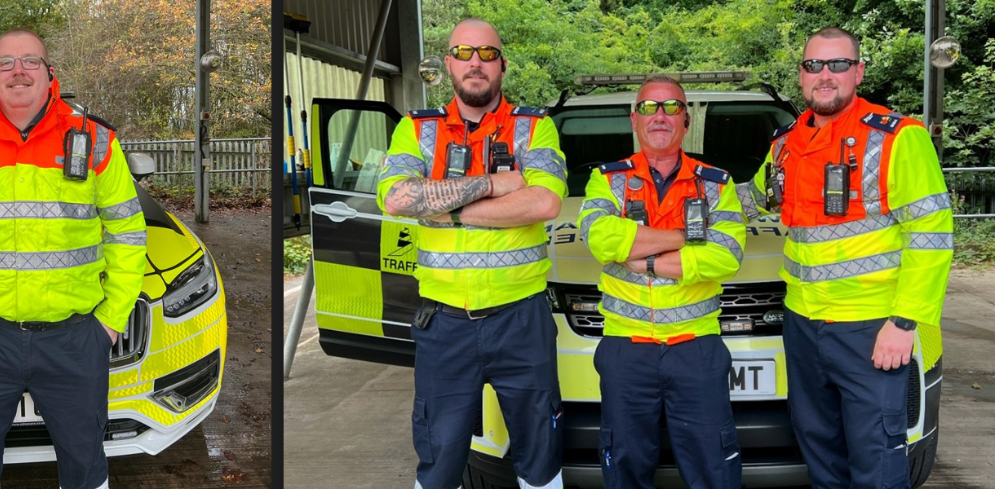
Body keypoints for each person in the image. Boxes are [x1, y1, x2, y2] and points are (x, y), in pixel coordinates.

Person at [0, 27, 146, 489]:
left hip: (76, 339)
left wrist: (110, 321)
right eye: (6, 63)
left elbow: (127, 233)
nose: (18, 70)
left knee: (85, 465)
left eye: (31, 60)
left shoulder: (96, 144)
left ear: (50, 74)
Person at [735, 27, 953, 489]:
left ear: (858, 71)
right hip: (802, 322)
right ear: (802, 75)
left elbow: (931, 235)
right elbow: (747, 202)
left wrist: (905, 322)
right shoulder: (787, 143)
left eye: (837, 64)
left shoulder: (898, 138)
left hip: (871, 327)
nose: (825, 75)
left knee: (876, 455)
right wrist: (676, 205)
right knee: (820, 451)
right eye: (815, 65)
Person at [376, 17, 568, 489]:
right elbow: (397, 199)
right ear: (448, 64)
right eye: (464, 53)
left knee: (541, 455)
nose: (475, 64)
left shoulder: (534, 127)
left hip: (521, 319)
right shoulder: (417, 130)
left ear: (502, 64)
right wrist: (496, 183)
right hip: (444, 325)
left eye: (486, 54)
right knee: (439, 461)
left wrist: (451, 210)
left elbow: (544, 202)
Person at [577, 75, 746, 489]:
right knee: (626, 464)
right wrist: (689, 236)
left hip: (697, 347)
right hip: (626, 348)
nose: (660, 116)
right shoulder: (607, 179)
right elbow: (600, 237)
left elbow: (726, 253)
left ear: (686, 120)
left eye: (672, 107)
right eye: (650, 107)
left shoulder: (716, 183)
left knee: (714, 465)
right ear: (634, 119)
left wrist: (645, 260)